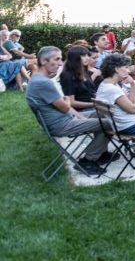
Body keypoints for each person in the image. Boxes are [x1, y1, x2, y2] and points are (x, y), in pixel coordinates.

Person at [25, 46, 112, 175]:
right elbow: (66, 107)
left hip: (62, 119)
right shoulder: (43, 83)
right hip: (61, 124)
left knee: (103, 113)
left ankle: (101, 153)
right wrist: (66, 100)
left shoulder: (36, 79)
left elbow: (65, 105)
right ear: (43, 61)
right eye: (57, 59)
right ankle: (88, 160)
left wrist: (78, 114)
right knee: (109, 123)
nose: (60, 63)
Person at [59, 46, 97, 111]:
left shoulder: (85, 72)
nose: (87, 58)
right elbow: (71, 102)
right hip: (82, 110)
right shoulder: (68, 76)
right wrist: (94, 104)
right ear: (74, 57)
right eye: (83, 56)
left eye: (88, 55)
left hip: (93, 106)